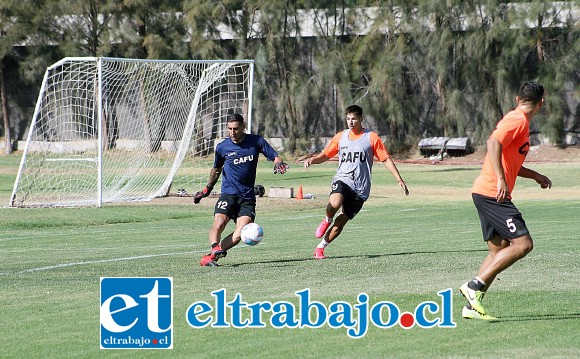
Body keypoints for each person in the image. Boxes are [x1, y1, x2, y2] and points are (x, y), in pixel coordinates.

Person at [459, 81, 552, 320]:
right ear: (542, 102)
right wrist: (501, 180)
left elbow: (510, 161)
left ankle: (471, 307)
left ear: (516, 97)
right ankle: (474, 286)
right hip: (493, 194)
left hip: (485, 192)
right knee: (523, 244)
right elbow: (493, 143)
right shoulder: (517, 120)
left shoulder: (519, 120)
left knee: (498, 251)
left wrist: (535, 176)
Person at [304, 104, 409, 259]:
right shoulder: (341, 136)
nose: (350, 122)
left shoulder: (371, 137)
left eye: (354, 119)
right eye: (348, 119)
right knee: (334, 203)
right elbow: (326, 155)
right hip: (343, 178)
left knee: (342, 221)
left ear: (361, 118)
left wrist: (399, 179)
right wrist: (313, 160)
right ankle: (327, 219)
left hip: (361, 188)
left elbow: (385, 159)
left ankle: (320, 247)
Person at [193, 113, 288, 266]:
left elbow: (275, 156)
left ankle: (210, 257)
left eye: (236, 128)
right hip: (229, 194)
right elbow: (215, 170)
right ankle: (214, 247)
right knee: (219, 222)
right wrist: (206, 190)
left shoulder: (256, 141)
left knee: (241, 233)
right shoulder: (222, 147)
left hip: (248, 197)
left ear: (243, 127)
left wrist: (278, 163)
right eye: (230, 129)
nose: (233, 132)